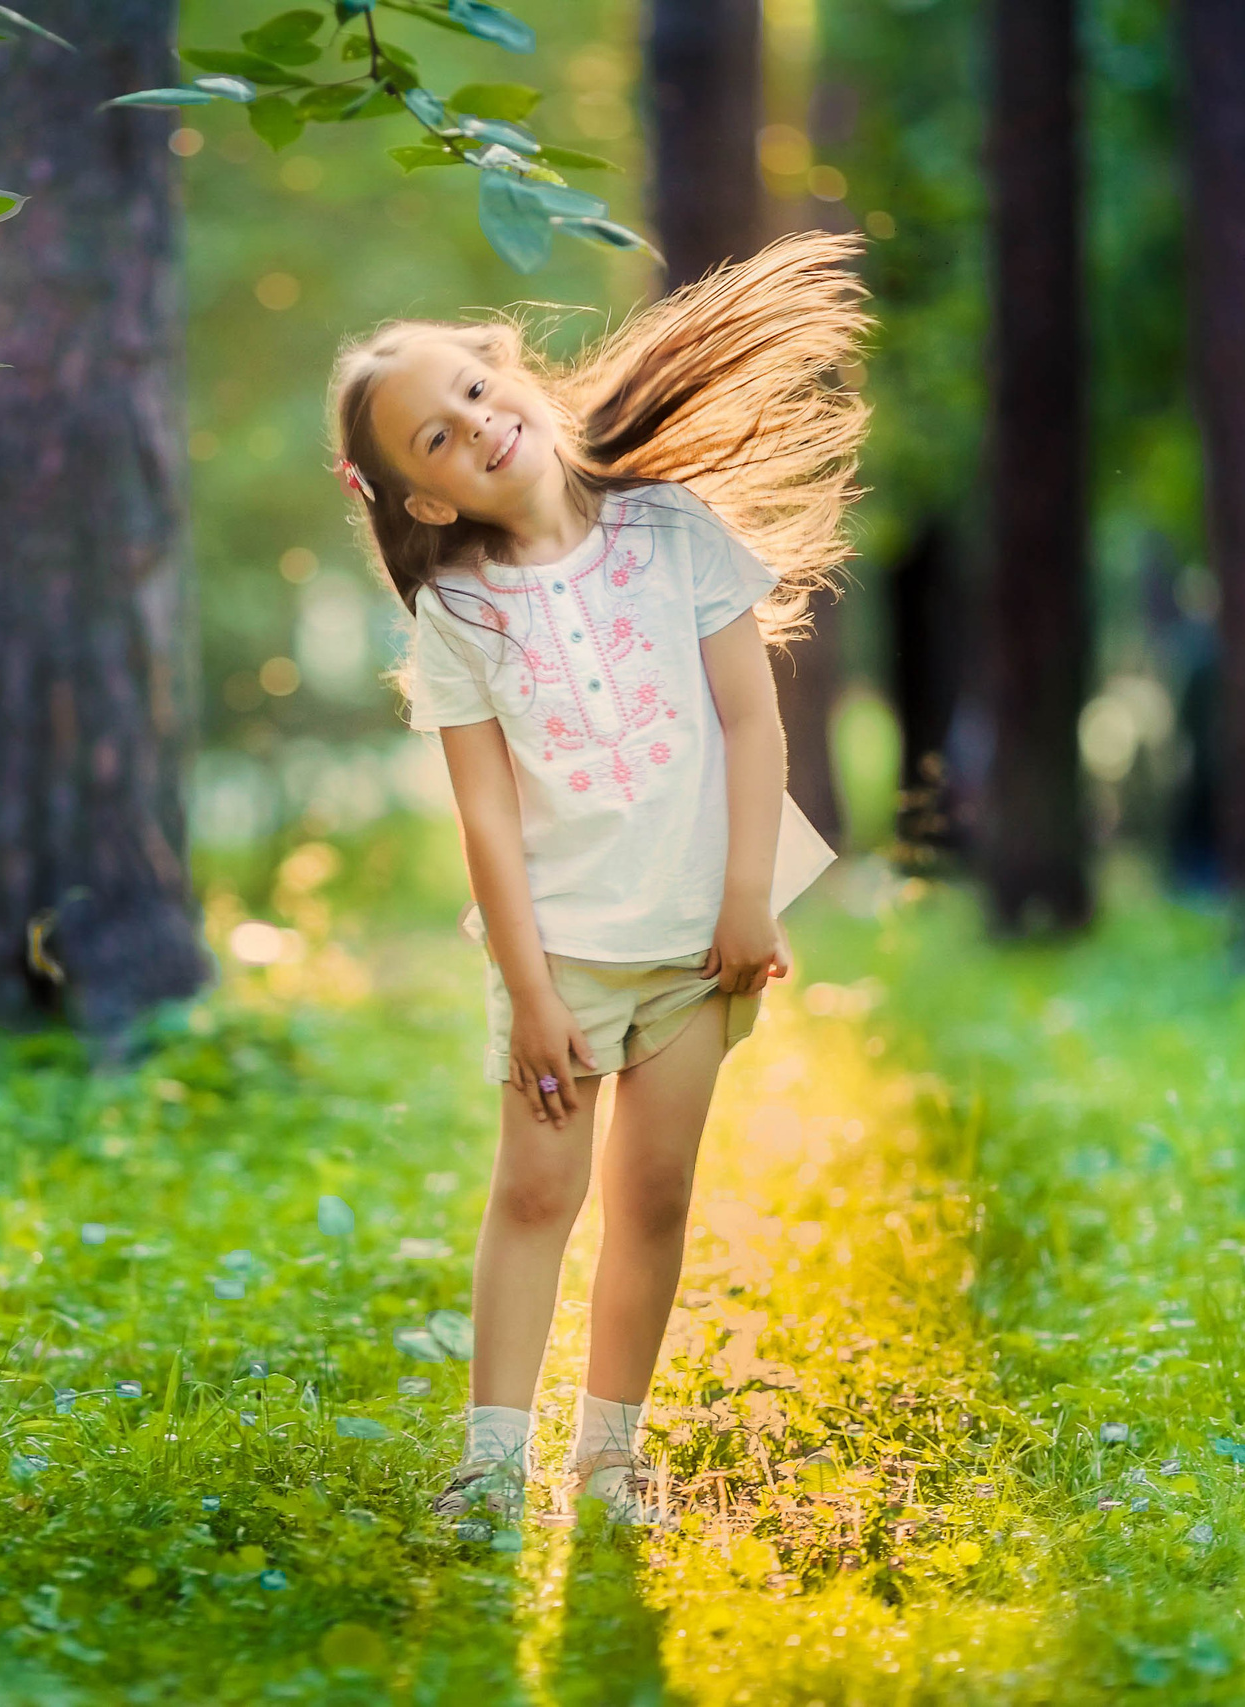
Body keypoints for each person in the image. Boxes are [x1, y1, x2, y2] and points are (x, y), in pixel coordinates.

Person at [325, 234, 869, 1528]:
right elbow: (486, 819)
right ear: (425, 502)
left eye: (473, 389)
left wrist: (748, 899)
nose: (473, 425)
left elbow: (751, 721)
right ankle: (490, 1469)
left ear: (514, 372)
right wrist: (530, 994)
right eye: (436, 438)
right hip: (562, 956)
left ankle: (610, 1463)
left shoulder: (671, 532)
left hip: (696, 944)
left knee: (654, 1197)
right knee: (535, 1195)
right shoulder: (461, 614)